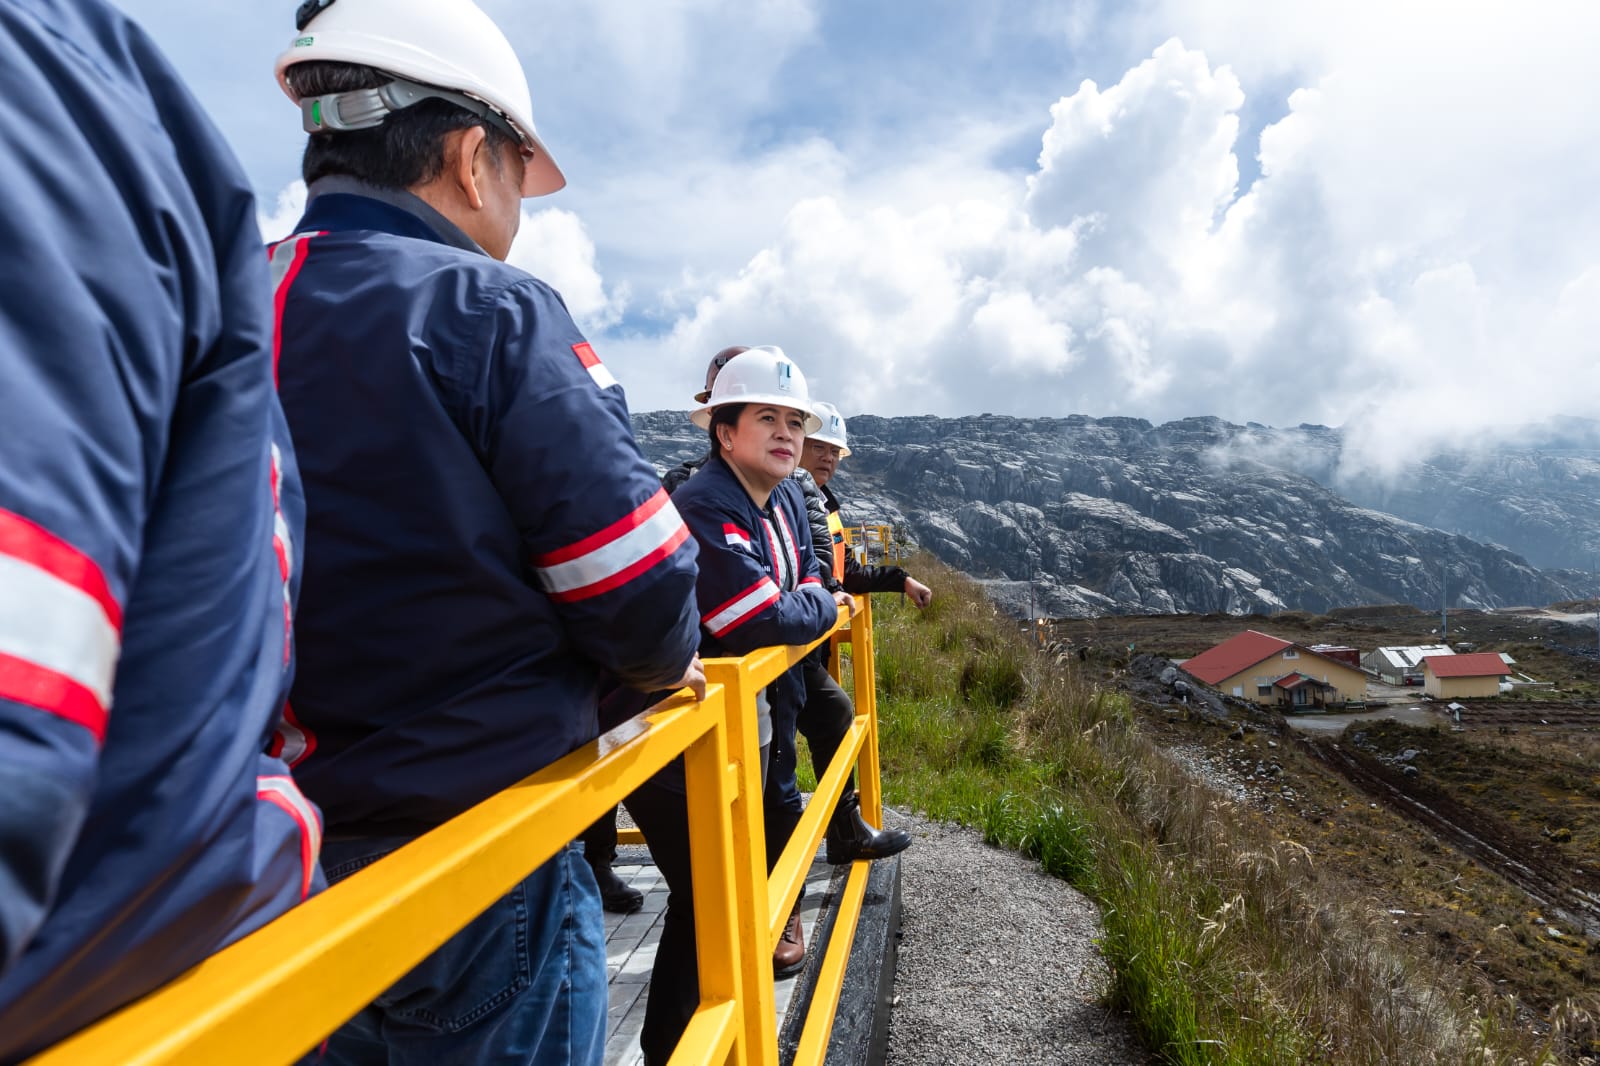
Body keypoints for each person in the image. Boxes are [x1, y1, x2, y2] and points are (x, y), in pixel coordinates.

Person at [270, 1, 703, 1061]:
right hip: (472, 864)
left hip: (254, 874)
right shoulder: (488, 310)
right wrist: (618, 683)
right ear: (472, 158)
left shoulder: (211, 309)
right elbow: (644, 593)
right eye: (520, 171)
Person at [0, 1, 322, 1058]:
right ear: (472, 156)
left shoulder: (271, 269)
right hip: (171, 978)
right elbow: (631, 581)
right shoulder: (73, 102)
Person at [626, 346, 844, 1065]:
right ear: (724, 432)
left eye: (793, 420)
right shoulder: (706, 503)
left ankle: (693, 1045)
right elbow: (758, 618)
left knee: (717, 900)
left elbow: (804, 577)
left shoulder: (778, 494)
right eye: (766, 418)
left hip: (739, 726)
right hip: (676, 733)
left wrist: (804, 600)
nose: (787, 434)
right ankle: (675, 1050)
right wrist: (815, 604)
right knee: (704, 900)